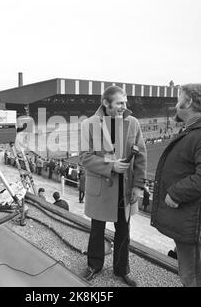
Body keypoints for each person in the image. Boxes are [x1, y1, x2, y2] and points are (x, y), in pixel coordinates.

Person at [150, 83, 201, 287]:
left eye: (179, 99)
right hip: (190, 219)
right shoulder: (198, 130)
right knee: (190, 274)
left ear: (190, 102)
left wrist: (176, 193)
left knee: (194, 278)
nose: (176, 105)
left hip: (195, 221)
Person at [80, 85, 147, 287]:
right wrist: (111, 166)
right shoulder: (89, 124)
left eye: (125, 102)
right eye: (119, 103)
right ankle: (94, 265)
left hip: (125, 190)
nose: (124, 106)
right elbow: (85, 157)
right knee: (97, 231)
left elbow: (141, 155)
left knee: (124, 232)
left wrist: (138, 186)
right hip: (101, 188)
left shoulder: (132, 123)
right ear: (106, 103)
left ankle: (121, 269)